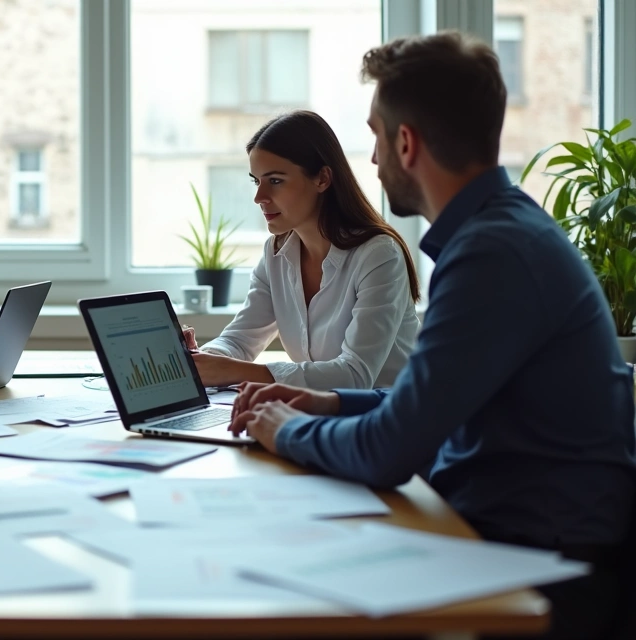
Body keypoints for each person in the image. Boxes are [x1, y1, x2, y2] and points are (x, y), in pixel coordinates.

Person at [230, 32, 635, 640]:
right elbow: (431, 401)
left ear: (406, 142)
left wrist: (290, 431)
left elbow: (392, 448)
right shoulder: (498, 234)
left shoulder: (492, 253)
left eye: (374, 135)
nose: (369, 160)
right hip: (504, 526)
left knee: (276, 589)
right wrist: (333, 403)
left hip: (539, 557)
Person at [182, 110, 420, 391]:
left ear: (322, 179)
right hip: (318, 418)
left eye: (275, 181)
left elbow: (354, 375)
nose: (259, 197)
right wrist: (200, 360)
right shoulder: (276, 253)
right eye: (256, 181)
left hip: (383, 424)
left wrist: (234, 371)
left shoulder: (379, 255)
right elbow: (238, 341)